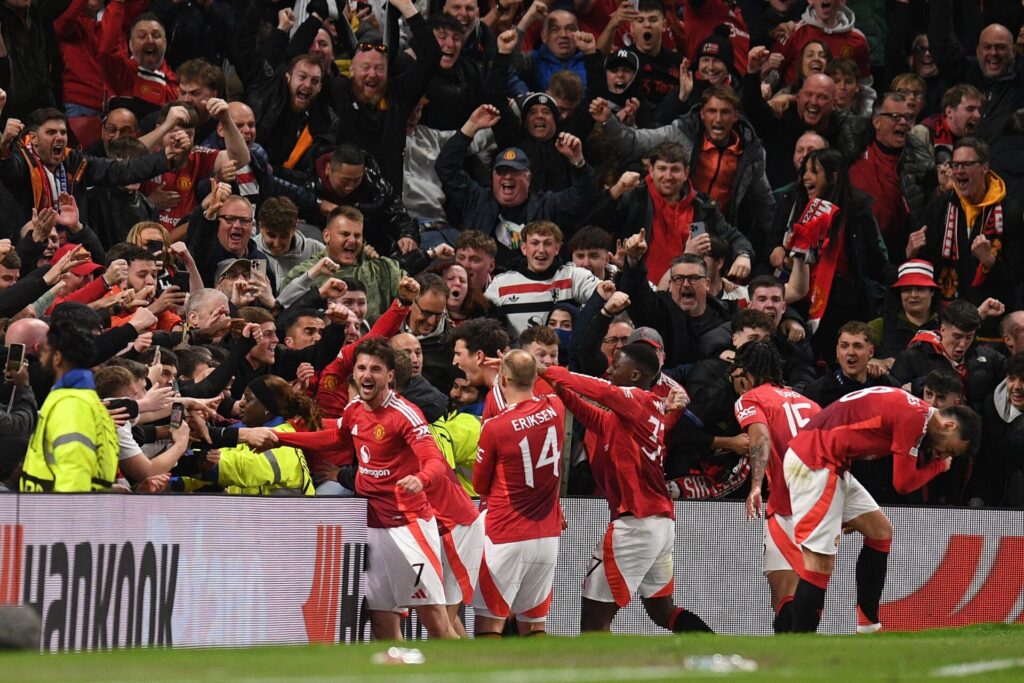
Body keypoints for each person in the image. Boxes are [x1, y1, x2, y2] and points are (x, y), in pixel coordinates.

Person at [242, 340, 457, 639]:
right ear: (354, 373)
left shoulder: (405, 413)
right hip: (373, 526)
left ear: (390, 376)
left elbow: (433, 458)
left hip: (410, 525)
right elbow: (335, 439)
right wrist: (283, 438)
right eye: (361, 368)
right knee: (382, 619)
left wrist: (420, 479)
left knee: (434, 620)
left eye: (376, 370)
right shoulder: (356, 409)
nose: (367, 375)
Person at [540, 342, 712, 633]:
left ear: (634, 375)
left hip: (636, 524)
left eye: (616, 364)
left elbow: (599, 390)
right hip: (658, 523)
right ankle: (719, 647)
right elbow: (588, 412)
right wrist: (554, 384)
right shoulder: (639, 411)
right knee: (662, 611)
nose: (609, 369)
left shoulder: (635, 399)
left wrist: (546, 370)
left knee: (594, 621)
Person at [784, 385, 981, 633]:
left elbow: (850, 430)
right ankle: (801, 642)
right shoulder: (915, 419)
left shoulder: (914, 411)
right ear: (949, 426)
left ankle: (868, 626)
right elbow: (903, 483)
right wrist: (939, 468)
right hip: (815, 462)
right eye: (950, 449)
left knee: (880, 531)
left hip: (832, 462)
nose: (942, 453)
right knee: (819, 563)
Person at [473, 349, 565, 637]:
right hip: (547, 537)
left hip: (506, 535)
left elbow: (479, 485)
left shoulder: (495, 427)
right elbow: (541, 385)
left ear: (503, 379)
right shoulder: (555, 408)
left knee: (490, 626)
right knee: (534, 626)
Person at [730, 340, 821, 633]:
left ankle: (787, 665)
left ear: (747, 372)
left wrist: (756, 485)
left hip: (788, 507)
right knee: (809, 593)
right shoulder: (810, 403)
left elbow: (761, 439)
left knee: (786, 595)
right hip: (822, 505)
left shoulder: (751, 399)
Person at [436, 104, 600, 266]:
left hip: (533, 285)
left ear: (528, 178)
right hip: (484, 283)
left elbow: (585, 196)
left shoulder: (546, 205)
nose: (507, 177)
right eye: (501, 171)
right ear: (493, 177)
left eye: (515, 172)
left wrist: (577, 161)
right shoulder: (476, 200)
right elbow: (446, 167)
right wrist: (471, 127)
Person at [593, 141, 754, 287]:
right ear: (651, 170)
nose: (668, 176)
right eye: (662, 169)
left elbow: (733, 236)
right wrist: (616, 191)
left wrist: (743, 255)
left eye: (675, 169)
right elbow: (595, 223)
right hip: (637, 294)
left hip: (684, 296)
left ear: (686, 173)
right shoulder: (634, 198)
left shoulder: (702, 207)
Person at [915, 138, 1024, 318]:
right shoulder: (940, 206)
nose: (959, 171)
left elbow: (1016, 276)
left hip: (994, 318)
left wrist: (990, 261)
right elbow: (928, 260)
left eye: (966, 164)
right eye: (955, 164)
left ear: (984, 167)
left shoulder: (1009, 212)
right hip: (948, 315)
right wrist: (912, 253)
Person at [20, 321, 119, 493]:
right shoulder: (83, 398)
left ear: (57, 357)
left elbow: (75, 467)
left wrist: (67, 516)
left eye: (44, 352)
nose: (41, 359)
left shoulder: (71, 404)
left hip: (55, 512)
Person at [485, 221, 599, 338]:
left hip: (560, 356)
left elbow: (607, 298)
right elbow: (484, 325)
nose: (541, 250)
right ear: (524, 248)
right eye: (534, 243)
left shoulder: (575, 277)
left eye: (547, 243)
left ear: (557, 248)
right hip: (516, 355)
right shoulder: (501, 284)